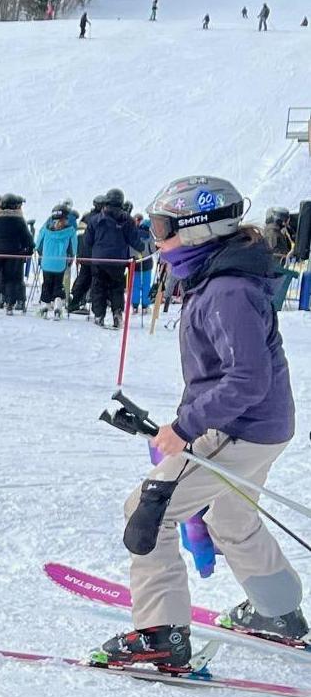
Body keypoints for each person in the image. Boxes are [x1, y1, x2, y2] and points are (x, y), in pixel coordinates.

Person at [93, 175, 303, 670]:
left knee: (147, 512)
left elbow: (246, 378)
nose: (156, 240)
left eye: (163, 228)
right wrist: (185, 422)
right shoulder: (219, 279)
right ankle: (279, 613)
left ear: (197, 231)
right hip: (262, 426)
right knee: (231, 517)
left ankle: (159, 633)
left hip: (238, 427)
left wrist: (187, 427)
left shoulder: (227, 290)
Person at [86, 188, 146, 327]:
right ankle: (117, 313)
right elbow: (135, 241)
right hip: (118, 261)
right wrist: (143, 247)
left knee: (98, 286)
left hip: (99, 259)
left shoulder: (95, 219)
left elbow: (88, 241)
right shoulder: (127, 220)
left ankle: (99, 315)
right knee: (116, 287)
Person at [0, 193, 33, 314]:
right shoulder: (19, 220)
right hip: (13, 253)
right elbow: (27, 238)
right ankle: (9, 304)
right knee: (11, 278)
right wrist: (28, 249)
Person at [36, 204, 78, 318]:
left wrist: (40, 253)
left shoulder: (45, 229)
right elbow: (73, 247)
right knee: (58, 284)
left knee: (47, 283)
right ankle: (58, 305)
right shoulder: (70, 231)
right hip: (60, 263)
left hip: (47, 261)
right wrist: (71, 257)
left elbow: (38, 243)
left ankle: (45, 305)